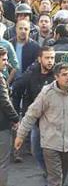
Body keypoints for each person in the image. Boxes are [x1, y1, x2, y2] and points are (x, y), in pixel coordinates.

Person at [10, 46, 56, 176]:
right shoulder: (31, 73)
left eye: (52, 58)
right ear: (39, 59)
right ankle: (49, 172)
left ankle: (54, 174)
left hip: (54, 119)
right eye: (47, 58)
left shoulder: (58, 73)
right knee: (36, 151)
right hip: (36, 119)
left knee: (53, 151)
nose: (50, 61)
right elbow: (17, 86)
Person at [0, 47, 20, 186]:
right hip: (1, 126)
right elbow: (4, 101)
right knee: (2, 162)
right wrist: (15, 118)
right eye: (4, 59)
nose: (6, 63)